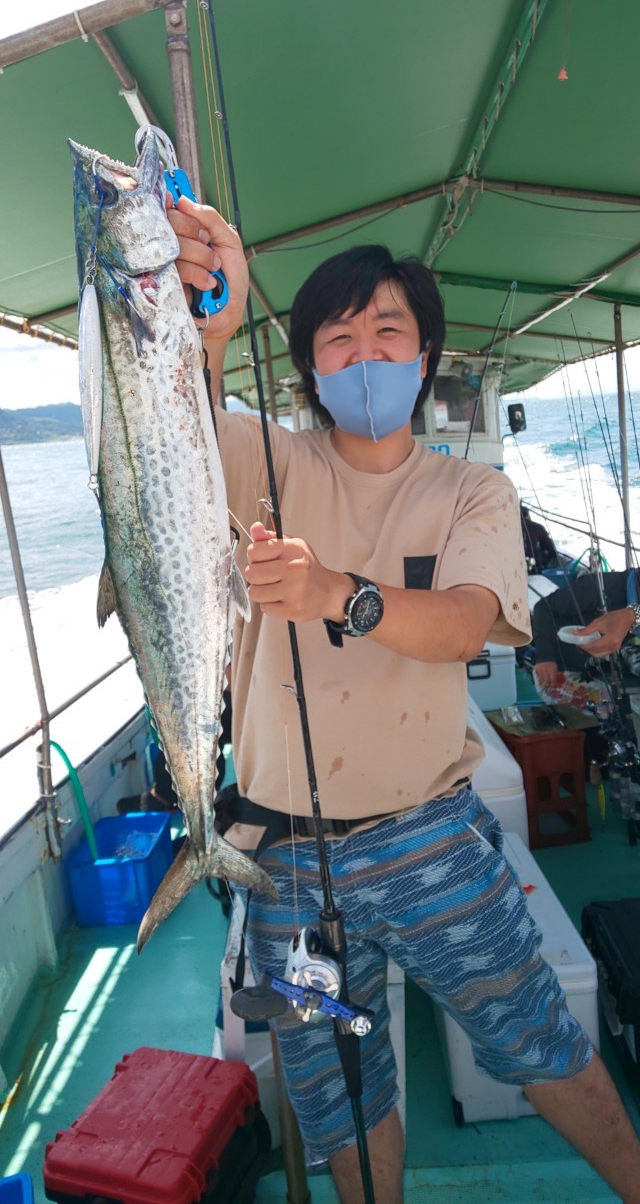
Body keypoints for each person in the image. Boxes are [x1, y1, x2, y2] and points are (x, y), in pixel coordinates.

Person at [170, 195, 640, 1204]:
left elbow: (467, 623)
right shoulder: (270, 461)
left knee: (538, 1039)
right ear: (310, 370)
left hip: (426, 834)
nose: (364, 353)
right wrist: (208, 331)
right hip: (280, 860)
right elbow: (181, 431)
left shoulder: (471, 492)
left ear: (425, 356)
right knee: (336, 1081)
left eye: (387, 329)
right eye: (337, 338)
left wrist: (339, 591)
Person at [533, 569, 640, 691]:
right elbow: (543, 608)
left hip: (584, 672)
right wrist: (545, 657)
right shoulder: (598, 586)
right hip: (548, 662)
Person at [521, 505, 559, 574]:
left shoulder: (507, 529)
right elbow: (550, 549)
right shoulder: (537, 527)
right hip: (533, 567)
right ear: (527, 516)